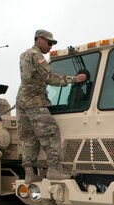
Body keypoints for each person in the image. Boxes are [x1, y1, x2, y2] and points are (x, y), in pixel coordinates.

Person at [16, 29, 87, 183]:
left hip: (22, 101)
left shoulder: (24, 55)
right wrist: (74, 79)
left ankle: (29, 173)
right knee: (51, 133)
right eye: (49, 43)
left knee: (29, 138)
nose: (51, 47)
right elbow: (50, 78)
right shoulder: (36, 55)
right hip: (34, 101)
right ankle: (54, 170)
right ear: (39, 39)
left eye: (52, 44)